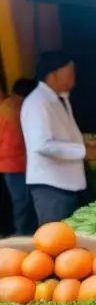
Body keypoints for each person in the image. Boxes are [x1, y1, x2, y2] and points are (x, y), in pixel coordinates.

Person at [21, 50, 96, 225]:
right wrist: (83, 151)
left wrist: (85, 142)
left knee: (70, 242)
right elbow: (42, 145)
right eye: (70, 74)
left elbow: (61, 135)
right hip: (52, 187)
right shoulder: (37, 102)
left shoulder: (59, 99)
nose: (74, 79)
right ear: (52, 75)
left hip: (67, 184)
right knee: (55, 243)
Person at [0, 78, 38, 234]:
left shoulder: (6, 107)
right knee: (22, 204)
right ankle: (22, 236)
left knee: (21, 203)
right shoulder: (16, 110)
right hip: (15, 165)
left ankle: (23, 234)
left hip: (13, 164)